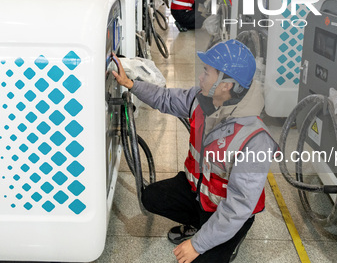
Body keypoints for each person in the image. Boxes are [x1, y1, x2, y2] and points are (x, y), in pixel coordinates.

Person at [112, 40, 278, 263]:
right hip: (198, 192)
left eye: (207, 72)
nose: (201, 77)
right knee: (151, 197)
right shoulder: (200, 100)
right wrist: (131, 84)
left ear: (226, 84)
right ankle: (202, 226)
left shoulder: (255, 139)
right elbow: (166, 98)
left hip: (227, 211)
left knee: (199, 259)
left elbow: (238, 206)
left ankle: (228, 239)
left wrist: (197, 245)